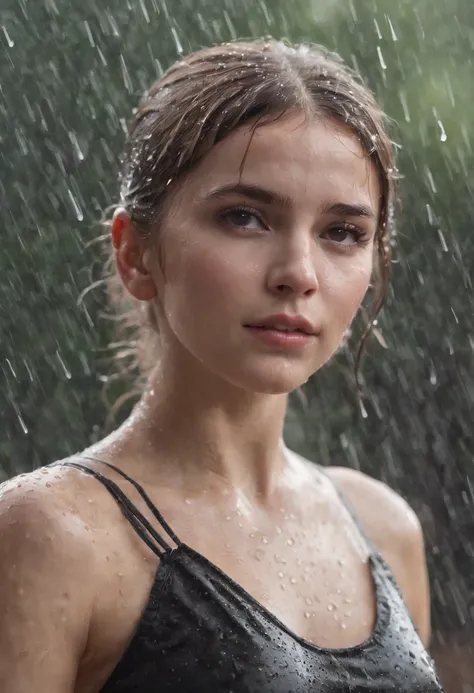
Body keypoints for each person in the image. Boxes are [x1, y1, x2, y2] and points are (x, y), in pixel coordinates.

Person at [0, 39, 444, 692]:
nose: (298, 272)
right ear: (136, 254)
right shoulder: (52, 535)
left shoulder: (384, 528)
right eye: (244, 217)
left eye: (342, 232)